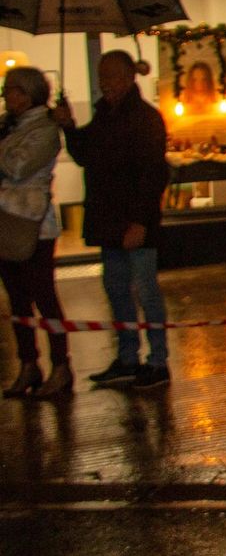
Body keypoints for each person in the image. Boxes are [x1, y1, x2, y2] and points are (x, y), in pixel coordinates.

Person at [52, 50, 170, 388]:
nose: (107, 85)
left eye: (113, 77)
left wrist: (140, 221)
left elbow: (152, 174)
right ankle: (128, 356)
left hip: (134, 222)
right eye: (102, 78)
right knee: (116, 290)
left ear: (130, 77)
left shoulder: (145, 118)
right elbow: (86, 155)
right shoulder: (105, 116)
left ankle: (158, 360)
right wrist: (69, 127)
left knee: (146, 290)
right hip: (108, 220)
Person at [0, 66, 71, 397]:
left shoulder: (44, 129)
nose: (7, 96)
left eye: (13, 90)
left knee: (44, 297)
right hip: (6, 217)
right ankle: (28, 363)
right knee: (17, 300)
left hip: (33, 223)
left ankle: (61, 365)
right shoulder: (10, 127)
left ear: (29, 94)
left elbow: (18, 166)